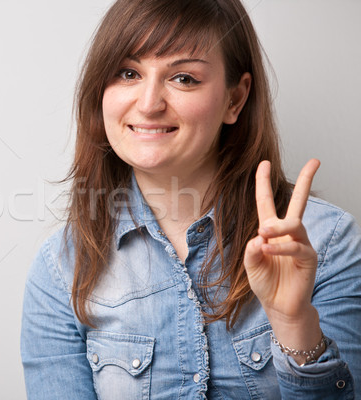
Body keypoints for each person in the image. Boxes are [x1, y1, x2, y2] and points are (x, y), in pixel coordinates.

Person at [20, 0, 361, 398]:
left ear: (235, 99)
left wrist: (293, 323)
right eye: (128, 73)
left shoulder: (326, 241)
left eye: (183, 78)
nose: (148, 104)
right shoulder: (61, 270)